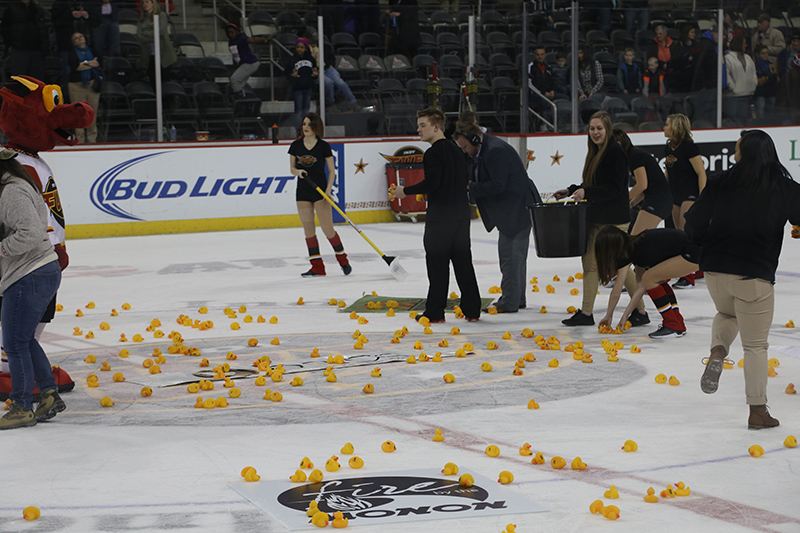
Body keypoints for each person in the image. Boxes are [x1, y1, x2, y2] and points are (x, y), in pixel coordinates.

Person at [685, 129, 800, 430]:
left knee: (727, 313)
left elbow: (693, 223)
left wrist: (706, 245)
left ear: (743, 153)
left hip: (715, 271)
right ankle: (758, 411)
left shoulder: (720, 182)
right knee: (755, 346)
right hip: (754, 276)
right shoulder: (784, 187)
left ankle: (718, 351)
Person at [553, 111, 648, 327]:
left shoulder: (615, 153)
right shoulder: (597, 152)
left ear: (608, 129)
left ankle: (636, 311)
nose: (595, 132)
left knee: (612, 264)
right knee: (598, 264)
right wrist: (571, 190)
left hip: (613, 219)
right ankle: (593, 313)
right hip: (598, 218)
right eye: (592, 129)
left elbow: (614, 188)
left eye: (599, 129)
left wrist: (587, 193)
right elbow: (593, 183)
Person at [389, 108, 480, 323]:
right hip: (460, 215)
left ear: (436, 127)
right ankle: (472, 309)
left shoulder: (433, 152)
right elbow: (454, 181)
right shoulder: (457, 149)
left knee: (437, 265)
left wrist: (405, 191)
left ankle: (435, 312)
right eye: (418, 125)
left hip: (441, 219)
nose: (418, 129)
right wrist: (430, 194)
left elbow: (433, 182)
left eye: (423, 125)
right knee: (463, 263)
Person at [0, 148, 65, 430]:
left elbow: (30, 232)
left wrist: (1, 249)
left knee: (14, 344)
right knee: (25, 340)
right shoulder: (16, 186)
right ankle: (48, 394)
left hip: (30, 273)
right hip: (37, 271)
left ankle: (22, 406)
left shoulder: (12, 192)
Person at [452, 120, 541, 314]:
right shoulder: (479, 151)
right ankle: (517, 299)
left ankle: (509, 302)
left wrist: (471, 186)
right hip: (512, 209)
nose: (464, 151)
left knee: (510, 257)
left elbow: (498, 185)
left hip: (517, 208)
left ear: (475, 140)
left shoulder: (495, 151)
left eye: (465, 147)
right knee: (514, 257)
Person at [595, 226, 700, 338]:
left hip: (692, 252)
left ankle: (673, 325)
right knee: (654, 279)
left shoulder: (628, 253)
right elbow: (641, 288)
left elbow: (616, 292)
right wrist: (625, 316)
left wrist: (608, 315)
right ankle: (677, 322)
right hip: (694, 249)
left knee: (649, 278)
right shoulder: (637, 248)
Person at [288, 113, 351, 278]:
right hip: (303, 192)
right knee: (309, 231)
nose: (305, 127)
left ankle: (343, 260)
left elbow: (331, 170)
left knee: (328, 230)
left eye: (309, 124)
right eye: (304, 124)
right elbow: (292, 169)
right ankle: (317, 267)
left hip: (321, 192)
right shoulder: (295, 145)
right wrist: (298, 172)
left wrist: (328, 190)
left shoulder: (323, 146)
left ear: (316, 126)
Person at [663, 113, 706, 288]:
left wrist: (703, 197)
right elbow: (668, 171)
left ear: (676, 127)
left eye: (667, 124)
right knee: (678, 234)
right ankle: (697, 267)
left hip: (690, 194)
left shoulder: (689, 148)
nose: (664, 127)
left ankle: (688, 276)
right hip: (675, 194)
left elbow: (701, 173)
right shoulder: (668, 147)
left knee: (685, 233)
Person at [612, 129, 670, 234]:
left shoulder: (634, 156)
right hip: (659, 200)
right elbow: (645, 189)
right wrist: (631, 203)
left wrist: (623, 200)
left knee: (636, 238)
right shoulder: (633, 155)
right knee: (639, 237)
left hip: (658, 201)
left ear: (618, 144)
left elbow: (642, 185)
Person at [0, 0, 49, 81]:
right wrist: (9, 44)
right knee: (19, 79)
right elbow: (5, 28)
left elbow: (42, 28)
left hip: (37, 49)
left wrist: (44, 46)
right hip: (19, 48)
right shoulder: (12, 8)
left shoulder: (37, 9)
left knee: (36, 80)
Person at [67, 32, 101, 143]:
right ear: (73, 42)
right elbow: (76, 67)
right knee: (78, 113)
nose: (79, 39)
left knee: (92, 112)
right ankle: (80, 139)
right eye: (76, 38)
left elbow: (98, 63)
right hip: (76, 86)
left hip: (92, 85)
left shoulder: (93, 50)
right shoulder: (72, 53)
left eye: (80, 36)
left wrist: (84, 63)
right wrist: (91, 63)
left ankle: (92, 138)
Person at [137, 0, 176, 89]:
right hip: (149, 55)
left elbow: (160, 31)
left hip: (164, 55)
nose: (145, 4)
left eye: (147, 2)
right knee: (153, 80)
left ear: (153, 3)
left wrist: (146, 33)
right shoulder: (141, 19)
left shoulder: (161, 15)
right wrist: (153, 35)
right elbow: (139, 36)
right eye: (143, 2)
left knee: (163, 82)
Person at [225, 23, 270, 99]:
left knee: (234, 79)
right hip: (243, 64)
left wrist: (264, 39)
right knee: (238, 83)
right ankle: (243, 98)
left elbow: (252, 39)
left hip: (250, 63)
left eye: (232, 32)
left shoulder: (241, 38)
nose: (230, 35)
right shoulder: (231, 42)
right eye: (228, 33)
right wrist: (235, 69)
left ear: (237, 31)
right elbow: (235, 57)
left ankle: (241, 98)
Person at [285, 37, 318, 131]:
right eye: (298, 47)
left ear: (306, 48)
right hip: (297, 88)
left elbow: (314, 72)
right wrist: (292, 75)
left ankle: (306, 129)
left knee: (306, 111)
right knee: (298, 111)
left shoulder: (311, 59)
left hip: (308, 87)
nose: (299, 49)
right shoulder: (292, 59)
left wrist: (315, 75)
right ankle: (298, 130)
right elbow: (287, 73)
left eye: (302, 47)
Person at [724, 36, 757, 123]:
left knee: (747, 119)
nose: (745, 45)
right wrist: (733, 87)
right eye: (743, 43)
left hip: (748, 93)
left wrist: (754, 83)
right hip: (734, 96)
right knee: (735, 119)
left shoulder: (748, 57)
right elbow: (726, 74)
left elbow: (753, 72)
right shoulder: (728, 58)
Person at [668, 25, 699, 94]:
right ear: (686, 33)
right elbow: (675, 61)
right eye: (692, 32)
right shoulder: (679, 46)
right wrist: (686, 58)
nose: (694, 34)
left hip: (693, 73)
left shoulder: (697, 45)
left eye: (694, 32)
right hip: (682, 74)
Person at [754, 44, 779, 120]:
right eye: (763, 53)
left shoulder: (771, 64)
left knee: (771, 115)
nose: (766, 55)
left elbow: (776, 77)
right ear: (758, 54)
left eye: (767, 53)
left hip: (771, 92)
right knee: (760, 115)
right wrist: (766, 79)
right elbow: (754, 80)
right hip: (760, 93)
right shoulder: (754, 63)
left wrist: (775, 78)